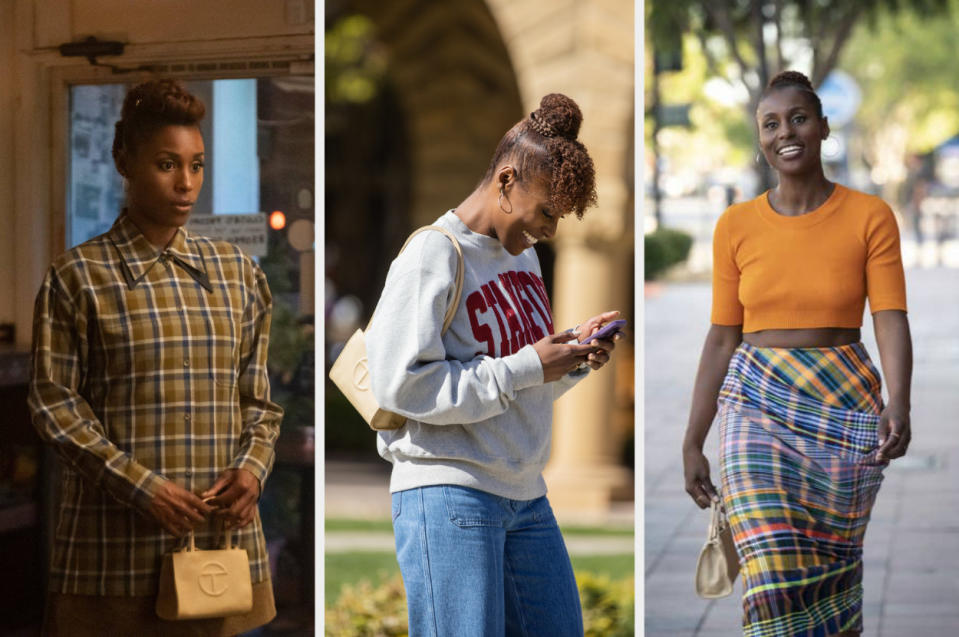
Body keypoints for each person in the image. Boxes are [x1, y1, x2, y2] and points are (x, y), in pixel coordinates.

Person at [29, 79, 283, 636]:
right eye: (168, 164)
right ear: (125, 160)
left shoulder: (239, 274)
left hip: (221, 550)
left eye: (196, 165)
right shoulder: (77, 277)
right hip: (110, 555)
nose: (186, 183)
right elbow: (55, 406)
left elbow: (259, 401)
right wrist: (142, 487)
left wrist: (253, 472)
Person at [365, 93, 623, 636]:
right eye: (547, 212)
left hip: (525, 495)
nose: (551, 230)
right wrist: (529, 364)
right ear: (507, 182)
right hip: (449, 489)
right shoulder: (432, 255)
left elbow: (516, 382)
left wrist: (569, 359)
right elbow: (398, 386)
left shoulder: (522, 256)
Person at [682, 70, 912, 637]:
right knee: (772, 570)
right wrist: (692, 438)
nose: (785, 132)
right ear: (760, 138)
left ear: (824, 127)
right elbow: (721, 336)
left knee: (831, 574)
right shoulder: (735, 225)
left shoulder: (870, 216)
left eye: (799, 118)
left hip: (843, 405)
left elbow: (889, 317)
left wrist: (900, 401)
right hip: (755, 405)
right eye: (771, 123)